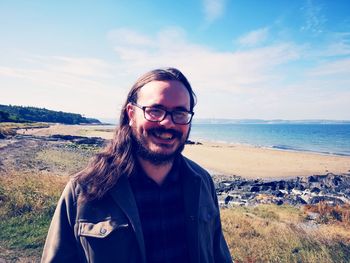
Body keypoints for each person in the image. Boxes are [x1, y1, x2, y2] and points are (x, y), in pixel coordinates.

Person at [41, 67, 233, 263]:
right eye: (155, 110)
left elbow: (219, 256)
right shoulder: (83, 189)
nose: (168, 123)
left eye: (180, 113)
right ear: (131, 114)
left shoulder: (201, 182)